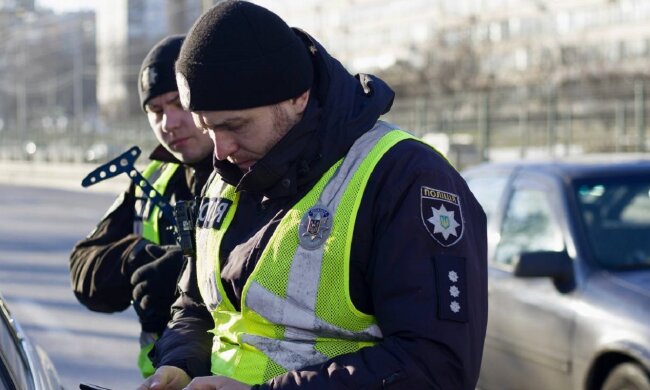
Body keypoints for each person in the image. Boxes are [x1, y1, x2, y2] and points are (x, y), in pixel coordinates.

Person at [140, 1, 488, 389]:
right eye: (208, 129)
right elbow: (198, 306)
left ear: (298, 98)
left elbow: (436, 367)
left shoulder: (405, 178)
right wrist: (180, 363)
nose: (220, 150)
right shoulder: (228, 174)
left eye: (234, 125)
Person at [69, 35, 213, 378]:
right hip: (163, 380)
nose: (169, 123)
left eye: (179, 103)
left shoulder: (255, 171)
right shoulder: (152, 179)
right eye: (156, 111)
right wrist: (135, 259)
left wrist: (190, 272)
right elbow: (82, 268)